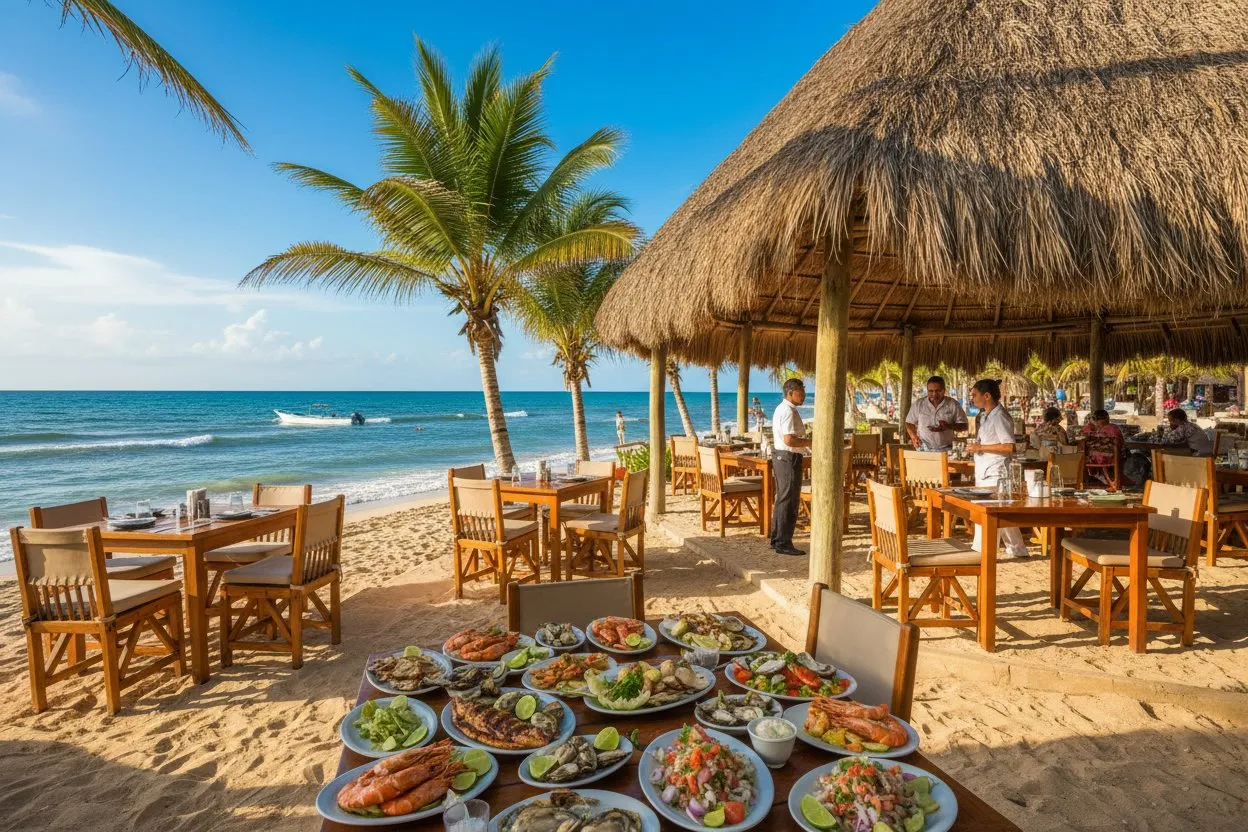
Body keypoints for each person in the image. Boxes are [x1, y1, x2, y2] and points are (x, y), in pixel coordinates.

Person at [967, 379, 1029, 559]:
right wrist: (979, 447)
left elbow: (1009, 446)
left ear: (986, 396)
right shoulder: (985, 416)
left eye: (975, 395)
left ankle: (982, 552)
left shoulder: (1000, 416)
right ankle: (1017, 549)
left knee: (987, 511)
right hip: (985, 469)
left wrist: (980, 448)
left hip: (996, 471)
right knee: (1001, 511)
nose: (972, 398)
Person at [770, 378, 811, 556]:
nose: (804, 395)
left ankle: (777, 539)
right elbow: (789, 439)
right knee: (789, 500)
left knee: (783, 498)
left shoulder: (784, 408)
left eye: (804, 391)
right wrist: (811, 442)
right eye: (800, 392)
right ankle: (783, 543)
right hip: (788, 457)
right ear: (790, 393)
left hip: (782, 456)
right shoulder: (787, 411)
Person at [904, 376, 968, 451]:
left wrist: (949, 426)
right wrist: (914, 437)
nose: (934, 394)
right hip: (923, 449)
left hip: (946, 449)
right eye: (931, 391)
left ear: (944, 390)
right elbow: (909, 422)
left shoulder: (953, 404)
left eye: (938, 391)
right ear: (927, 390)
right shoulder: (918, 404)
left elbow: (964, 425)